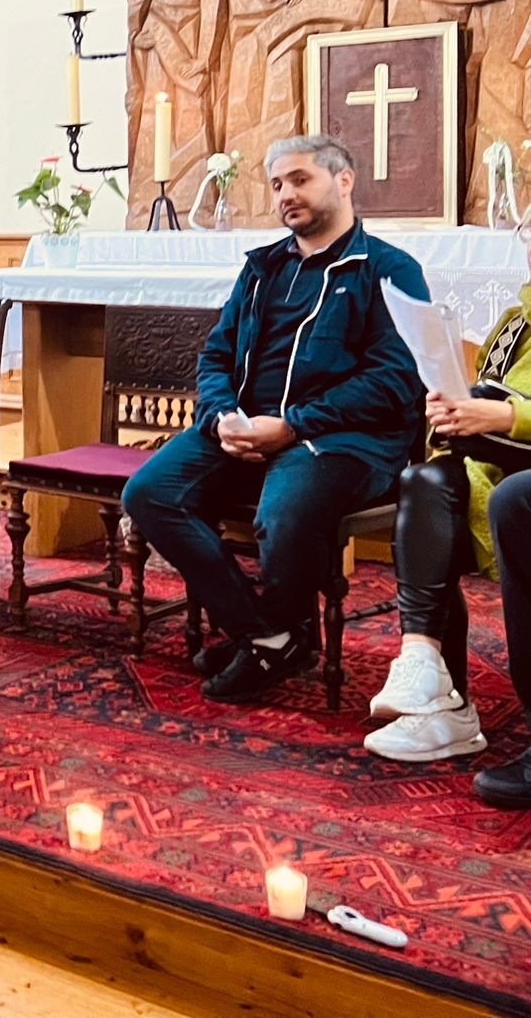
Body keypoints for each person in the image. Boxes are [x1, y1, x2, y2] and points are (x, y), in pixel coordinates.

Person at [124, 135, 429, 703]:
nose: (286, 194)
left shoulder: (388, 269)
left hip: (344, 439)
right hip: (246, 426)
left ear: (344, 180)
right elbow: (216, 354)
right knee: (149, 492)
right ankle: (270, 634)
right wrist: (221, 418)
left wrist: (293, 425)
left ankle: (272, 638)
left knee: (283, 511)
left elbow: (394, 380)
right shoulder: (263, 267)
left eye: (300, 179)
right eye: (277, 184)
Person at [363, 218, 531, 778]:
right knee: (425, 483)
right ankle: (438, 688)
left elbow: (509, 411)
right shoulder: (517, 320)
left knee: (510, 499)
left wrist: (502, 415)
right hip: (498, 468)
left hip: (520, 482)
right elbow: (487, 398)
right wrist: (456, 411)